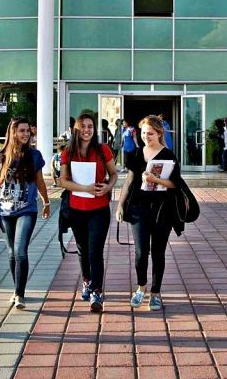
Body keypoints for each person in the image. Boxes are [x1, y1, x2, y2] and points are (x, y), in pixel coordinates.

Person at [118, 115, 182, 311]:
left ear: (159, 133)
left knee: (158, 252)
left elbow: (175, 184)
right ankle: (141, 288)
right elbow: (129, 181)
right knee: (140, 252)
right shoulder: (137, 154)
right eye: (144, 133)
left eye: (150, 133)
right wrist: (120, 205)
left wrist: (156, 180)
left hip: (162, 209)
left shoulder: (168, 155)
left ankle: (155, 293)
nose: (146, 137)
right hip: (138, 208)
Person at [0, 117, 52, 310]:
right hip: (5, 210)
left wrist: (46, 201)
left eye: (27, 131)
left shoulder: (34, 155)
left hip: (27, 209)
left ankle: (19, 294)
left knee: (20, 251)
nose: (25, 134)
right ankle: (17, 289)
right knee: (11, 252)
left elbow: (40, 181)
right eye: (21, 131)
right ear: (13, 132)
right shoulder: (1, 154)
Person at [59, 112, 118, 312]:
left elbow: (114, 174)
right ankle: (86, 280)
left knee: (95, 251)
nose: (86, 130)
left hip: (99, 209)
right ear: (76, 129)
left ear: (95, 129)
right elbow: (62, 181)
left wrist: (108, 188)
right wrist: (85, 188)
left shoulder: (103, 150)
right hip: (76, 209)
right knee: (83, 250)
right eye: (83, 126)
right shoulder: (68, 151)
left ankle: (97, 292)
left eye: (90, 127)